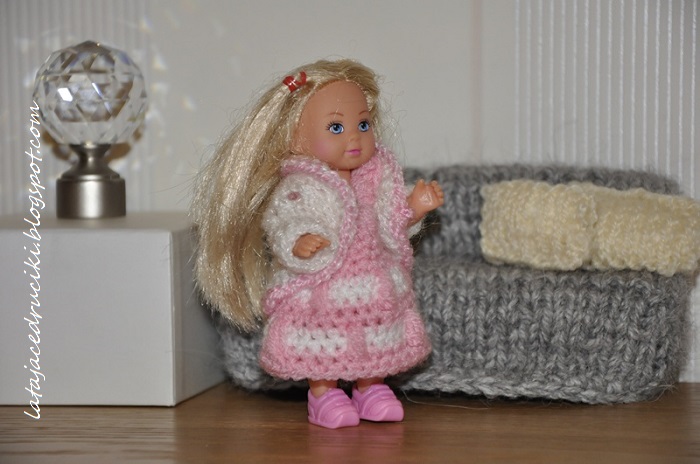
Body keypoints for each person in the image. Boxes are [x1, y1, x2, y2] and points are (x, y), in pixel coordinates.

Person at [192, 59, 443, 428]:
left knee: (375, 338)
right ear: (296, 138)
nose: (354, 138)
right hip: (323, 285)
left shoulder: (377, 179)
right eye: (336, 127)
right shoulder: (301, 187)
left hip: (374, 283)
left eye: (363, 125)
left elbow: (390, 221)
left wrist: (415, 207)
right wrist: (300, 240)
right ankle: (323, 394)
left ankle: (370, 387)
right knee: (322, 342)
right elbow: (287, 221)